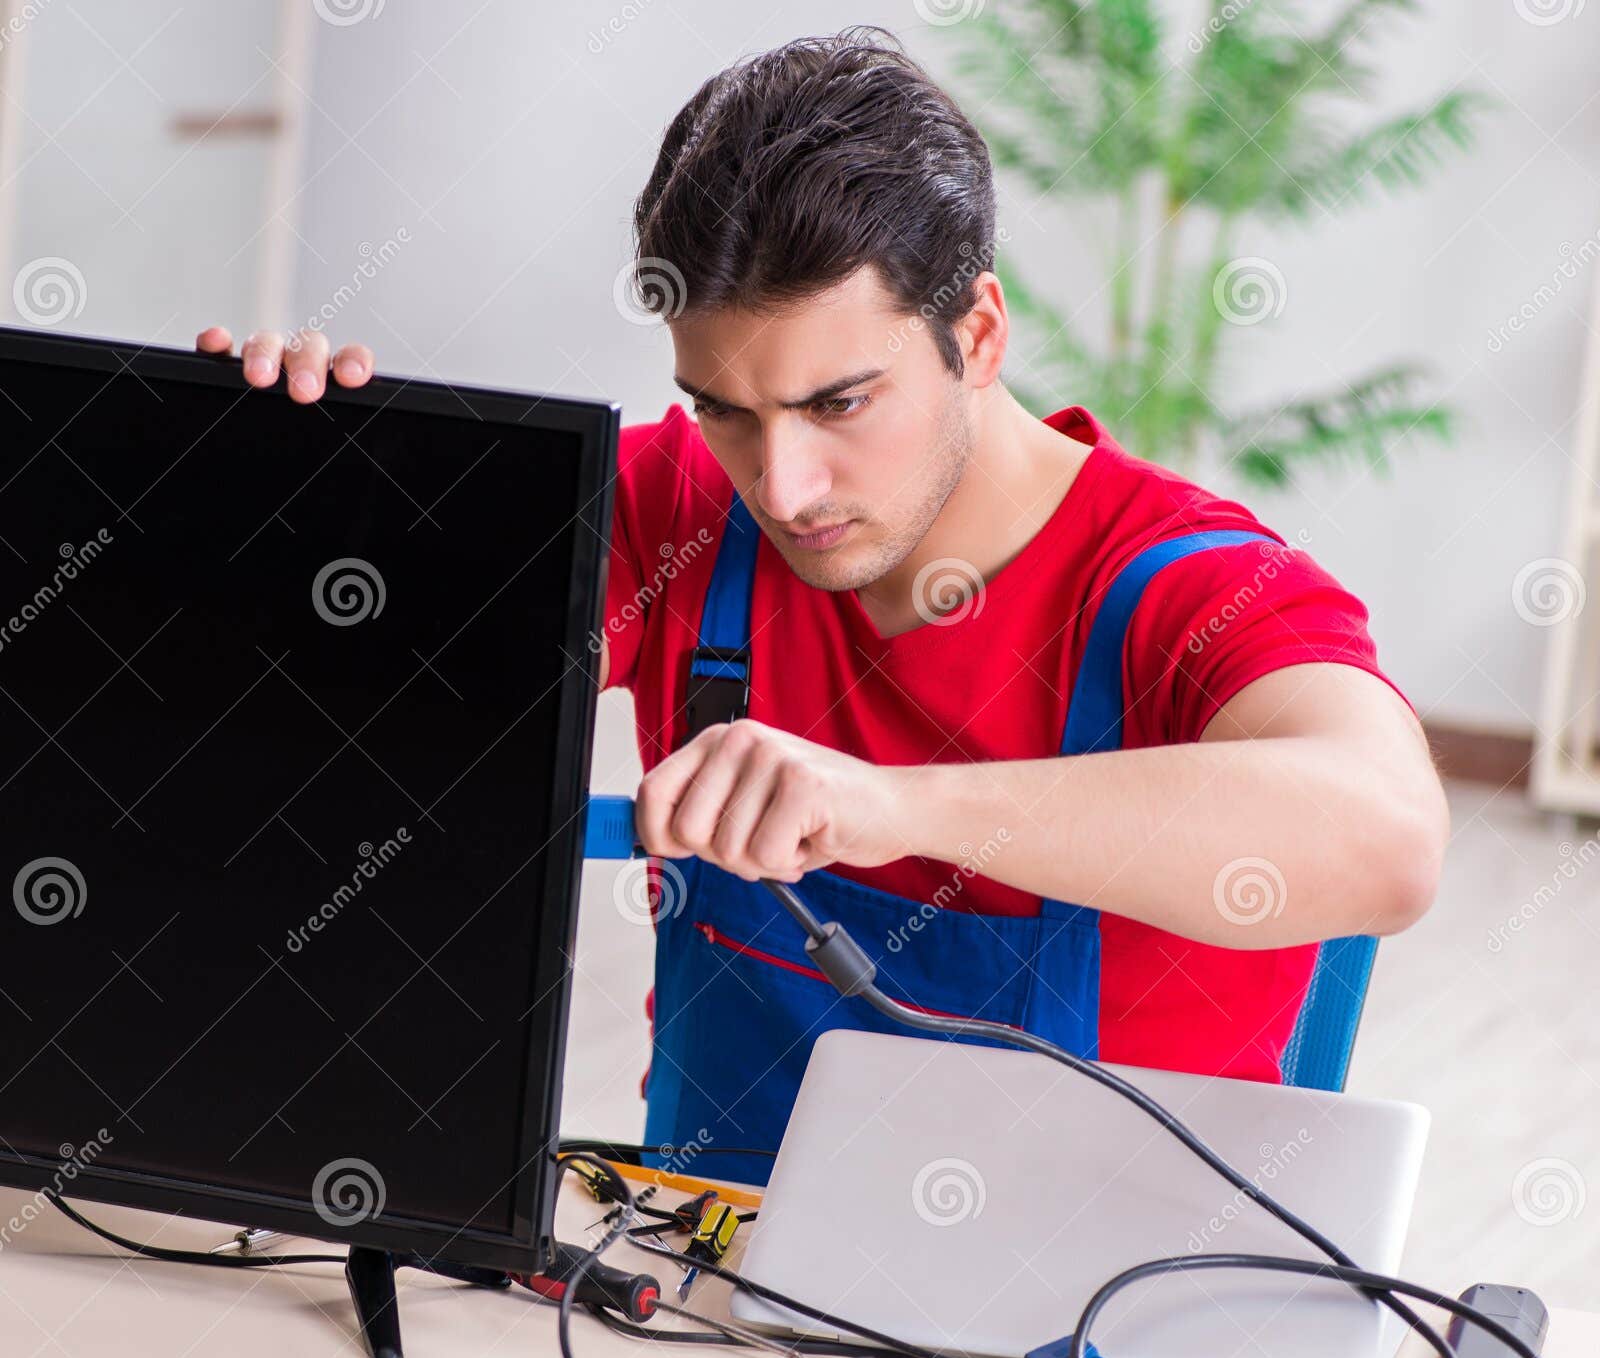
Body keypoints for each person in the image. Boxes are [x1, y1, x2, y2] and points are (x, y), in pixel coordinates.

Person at [196, 29, 1448, 1185]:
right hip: (700, 1275)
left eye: (838, 403)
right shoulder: (676, 514)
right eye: (725, 410)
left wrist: (886, 805)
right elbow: (311, 711)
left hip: (1094, 1319)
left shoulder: (1189, 588)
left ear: (979, 332)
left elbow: (1389, 838)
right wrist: (257, 497)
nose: (783, 487)